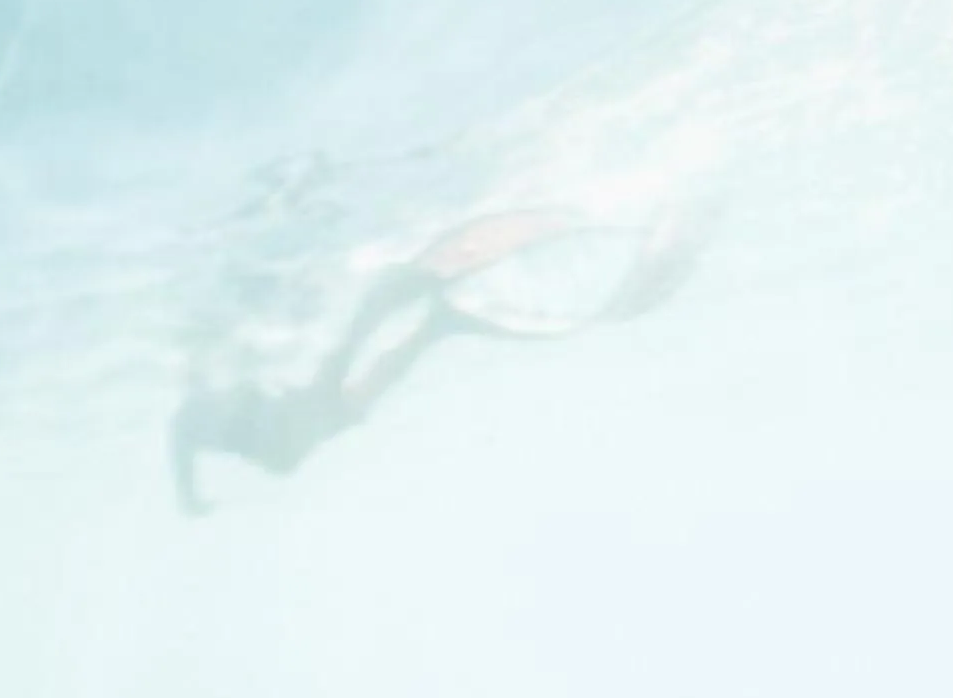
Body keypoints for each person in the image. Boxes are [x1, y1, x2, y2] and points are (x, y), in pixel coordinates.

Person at [171, 200, 704, 512]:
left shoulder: (218, 413)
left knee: (399, 331)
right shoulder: (218, 417)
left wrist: (191, 496)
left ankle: (441, 314)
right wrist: (190, 493)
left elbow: (192, 427)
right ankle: (441, 311)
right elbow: (190, 427)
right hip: (302, 427)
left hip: (305, 427)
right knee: (388, 322)